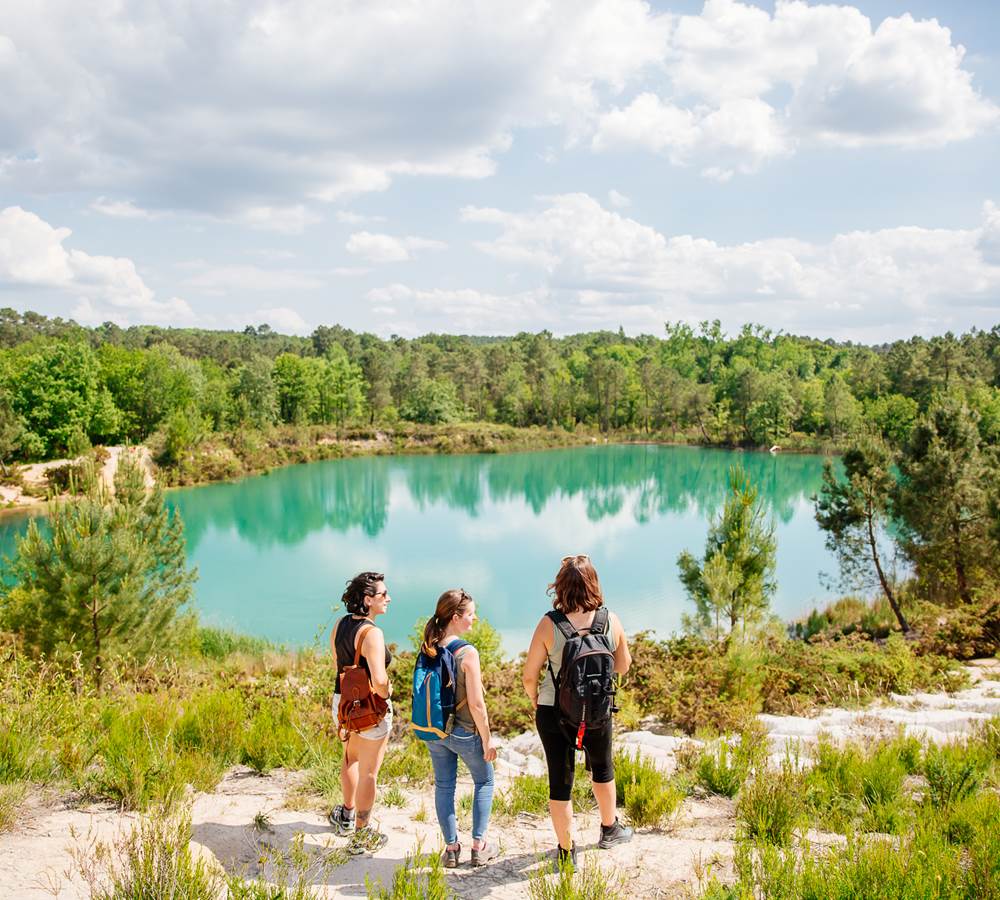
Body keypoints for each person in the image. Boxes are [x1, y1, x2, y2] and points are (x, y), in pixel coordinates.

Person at [522, 554, 633, 868]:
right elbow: (623, 666)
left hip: (553, 710)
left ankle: (566, 850)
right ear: (593, 583)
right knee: (603, 768)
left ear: (560, 587)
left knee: (561, 780)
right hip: (597, 707)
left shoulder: (549, 624)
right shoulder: (610, 620)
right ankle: (609, 829)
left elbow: (530, 675)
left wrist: (536, 698)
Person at [421, 589, 499, 868]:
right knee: (485, 781)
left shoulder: (428, 645)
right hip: (465, 732)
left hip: (436, 731)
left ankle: (452, 849)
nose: (474, 618)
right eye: (470, 614)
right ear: (455, 617)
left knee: (444, 785)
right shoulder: (467, 652)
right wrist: (488, 739)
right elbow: (477, 704)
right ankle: (479, 846)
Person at [329, 571, 393, 855]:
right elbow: (378, 680)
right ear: (368, 600)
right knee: (369, 773)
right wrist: (387, 693)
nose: (388, 598)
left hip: (342, 702)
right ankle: (361, 835)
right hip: (369, 709)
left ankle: (346, 815)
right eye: (383, 594)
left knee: (350, 757)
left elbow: (337, 661)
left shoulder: (340, 624)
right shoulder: (372, 633)